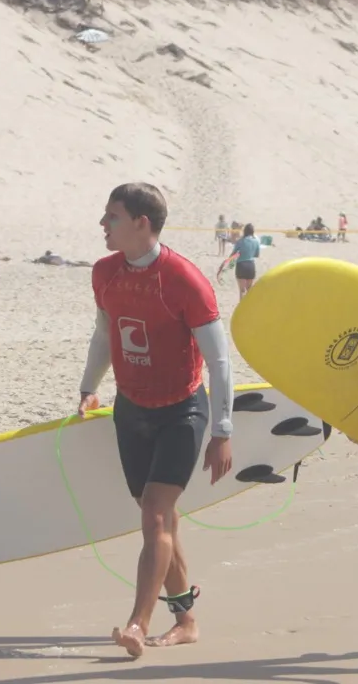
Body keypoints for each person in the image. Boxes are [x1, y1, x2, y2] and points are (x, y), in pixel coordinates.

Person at [76, 182, 234, 659]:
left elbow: (221, 362)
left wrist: (222, 431)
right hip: (131, 408)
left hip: (181, 410)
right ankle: (185, 619)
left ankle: (137, 625)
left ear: (142, 223)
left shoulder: (185, 279)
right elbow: (105, 334)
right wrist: (89, 386)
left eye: (113, 217)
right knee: (160, 521)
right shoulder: (105, 272)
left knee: (155, 515)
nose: (103, 225)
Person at [219, 222, 263, 300]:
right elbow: (257, 255)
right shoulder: (256, 241)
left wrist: (227, 262)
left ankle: (241, 310)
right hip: (250, 265)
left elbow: (233, 254)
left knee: (242, 291)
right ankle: (249, 308)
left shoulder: (240, 241)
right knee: (249, 290)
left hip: (241, 265)